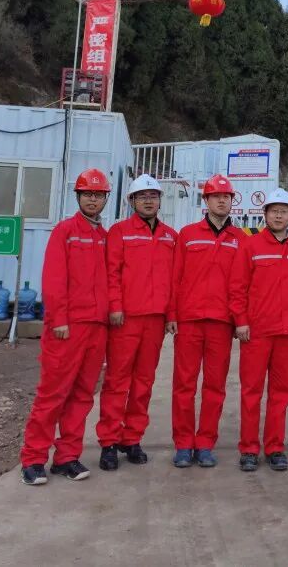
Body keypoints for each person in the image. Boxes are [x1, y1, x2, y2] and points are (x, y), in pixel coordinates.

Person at [19, 168, 112, 485]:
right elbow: (54, 278)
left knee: (83, 395)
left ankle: (67, 457)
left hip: (97, 327)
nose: (92, 200)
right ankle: (33, 459)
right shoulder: (65, 231)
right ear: (78, 197)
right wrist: (58, 319)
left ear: (105, 199)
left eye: (98, 195)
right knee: (53, 394)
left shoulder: (104, 237)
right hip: (68, 328)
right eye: (87, 194)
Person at [96, 174, 178, 471]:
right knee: (117, 381)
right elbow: (112, 273)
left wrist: (171, 315)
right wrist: (115, 306)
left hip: (155, 320)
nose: (148, 201)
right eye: (142, 196)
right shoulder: (119, 232)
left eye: (153, 196)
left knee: (144, 382)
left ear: (160, 201)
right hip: (126, 319)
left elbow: (174, 280)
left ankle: (131, 438)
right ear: (132, 201)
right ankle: (108, 441)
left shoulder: (170, 236)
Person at [168, 174, 246, 468]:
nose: (222, 201)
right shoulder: (188, 235)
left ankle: (205, 443)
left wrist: (239, 319)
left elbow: (243, 284)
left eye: (226, 197)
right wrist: (172, 314)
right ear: (206, 200)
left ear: (231, 201)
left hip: (221, 323)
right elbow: (175, 277)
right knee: (184, 385)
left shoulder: (240, 240)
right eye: (216, 196)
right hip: (189, 321)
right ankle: (183, 444)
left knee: (215, 386)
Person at [229, 188, 288, 472]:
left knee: (281, 392)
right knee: (251, 391)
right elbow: (237, 287)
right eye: (274, 211)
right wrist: (241, 321)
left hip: (286, 333)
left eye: (284, 211)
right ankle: (249, 448)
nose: (278, 216)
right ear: (265, 214)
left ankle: (275, 447)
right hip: (256, 332)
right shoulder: (250, 246)